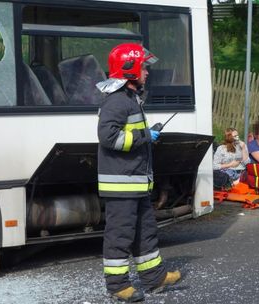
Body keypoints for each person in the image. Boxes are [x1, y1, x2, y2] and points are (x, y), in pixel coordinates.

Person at [96, 43, 180, 303]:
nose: (147, 72)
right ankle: (118, 286)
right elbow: (108, 137)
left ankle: (154, 279)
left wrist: (146, 135)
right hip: (121, 184)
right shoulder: (117, 101)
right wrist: (145, 135)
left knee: (146, 232)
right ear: (129, 70)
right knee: (120, 236)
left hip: (135, 182)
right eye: (143, 67)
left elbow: (127, 136)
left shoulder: (130, 100)